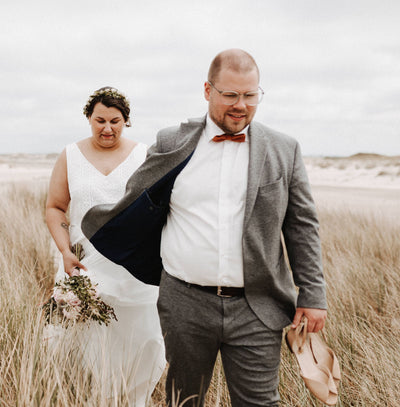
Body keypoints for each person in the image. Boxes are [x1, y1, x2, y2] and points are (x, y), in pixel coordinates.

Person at [81, 50, 328, 407]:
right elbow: (139, 205)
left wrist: (313, 294)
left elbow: (302, 225)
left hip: (257, 305)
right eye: (230, 94)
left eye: (250, 95)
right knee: (184, 400)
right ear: (207, 90)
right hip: (185, 303)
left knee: (260, 402)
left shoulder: (284, 149)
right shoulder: (171, 142)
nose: (240, 105)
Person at [45, 87, 166, 406]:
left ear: (127, 121)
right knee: (88, 346)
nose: (107, 128)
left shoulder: (144, 156)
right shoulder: (70, 154)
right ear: (89, 118)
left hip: (135, 269)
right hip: (83, 265)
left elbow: (160, 208)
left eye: (115, 121)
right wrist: (65, 252)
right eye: (100, 120)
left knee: (145, 340)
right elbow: (55, 207)